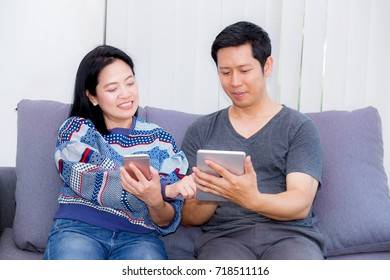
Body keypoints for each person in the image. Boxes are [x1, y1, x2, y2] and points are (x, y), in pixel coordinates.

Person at [180, 21, 326, 260]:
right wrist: (217, 192)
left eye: (245, 70)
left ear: (267, 66)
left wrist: (252, 199)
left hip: (291, 237)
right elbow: (187, 217)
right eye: (225, 72)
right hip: (224, 239)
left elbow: (300, 203)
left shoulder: (298, 127)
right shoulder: (201, 131)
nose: (235, 82)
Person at [43, 45, 196, 260]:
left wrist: (156, 200)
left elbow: (167, 221)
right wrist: (165, 189)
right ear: (92, 97)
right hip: (79, 229)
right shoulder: (76, 130)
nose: (126, 94)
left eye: (130, 83)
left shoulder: (161, 141)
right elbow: (92, 177)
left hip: (140, 239)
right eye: (112, 88)